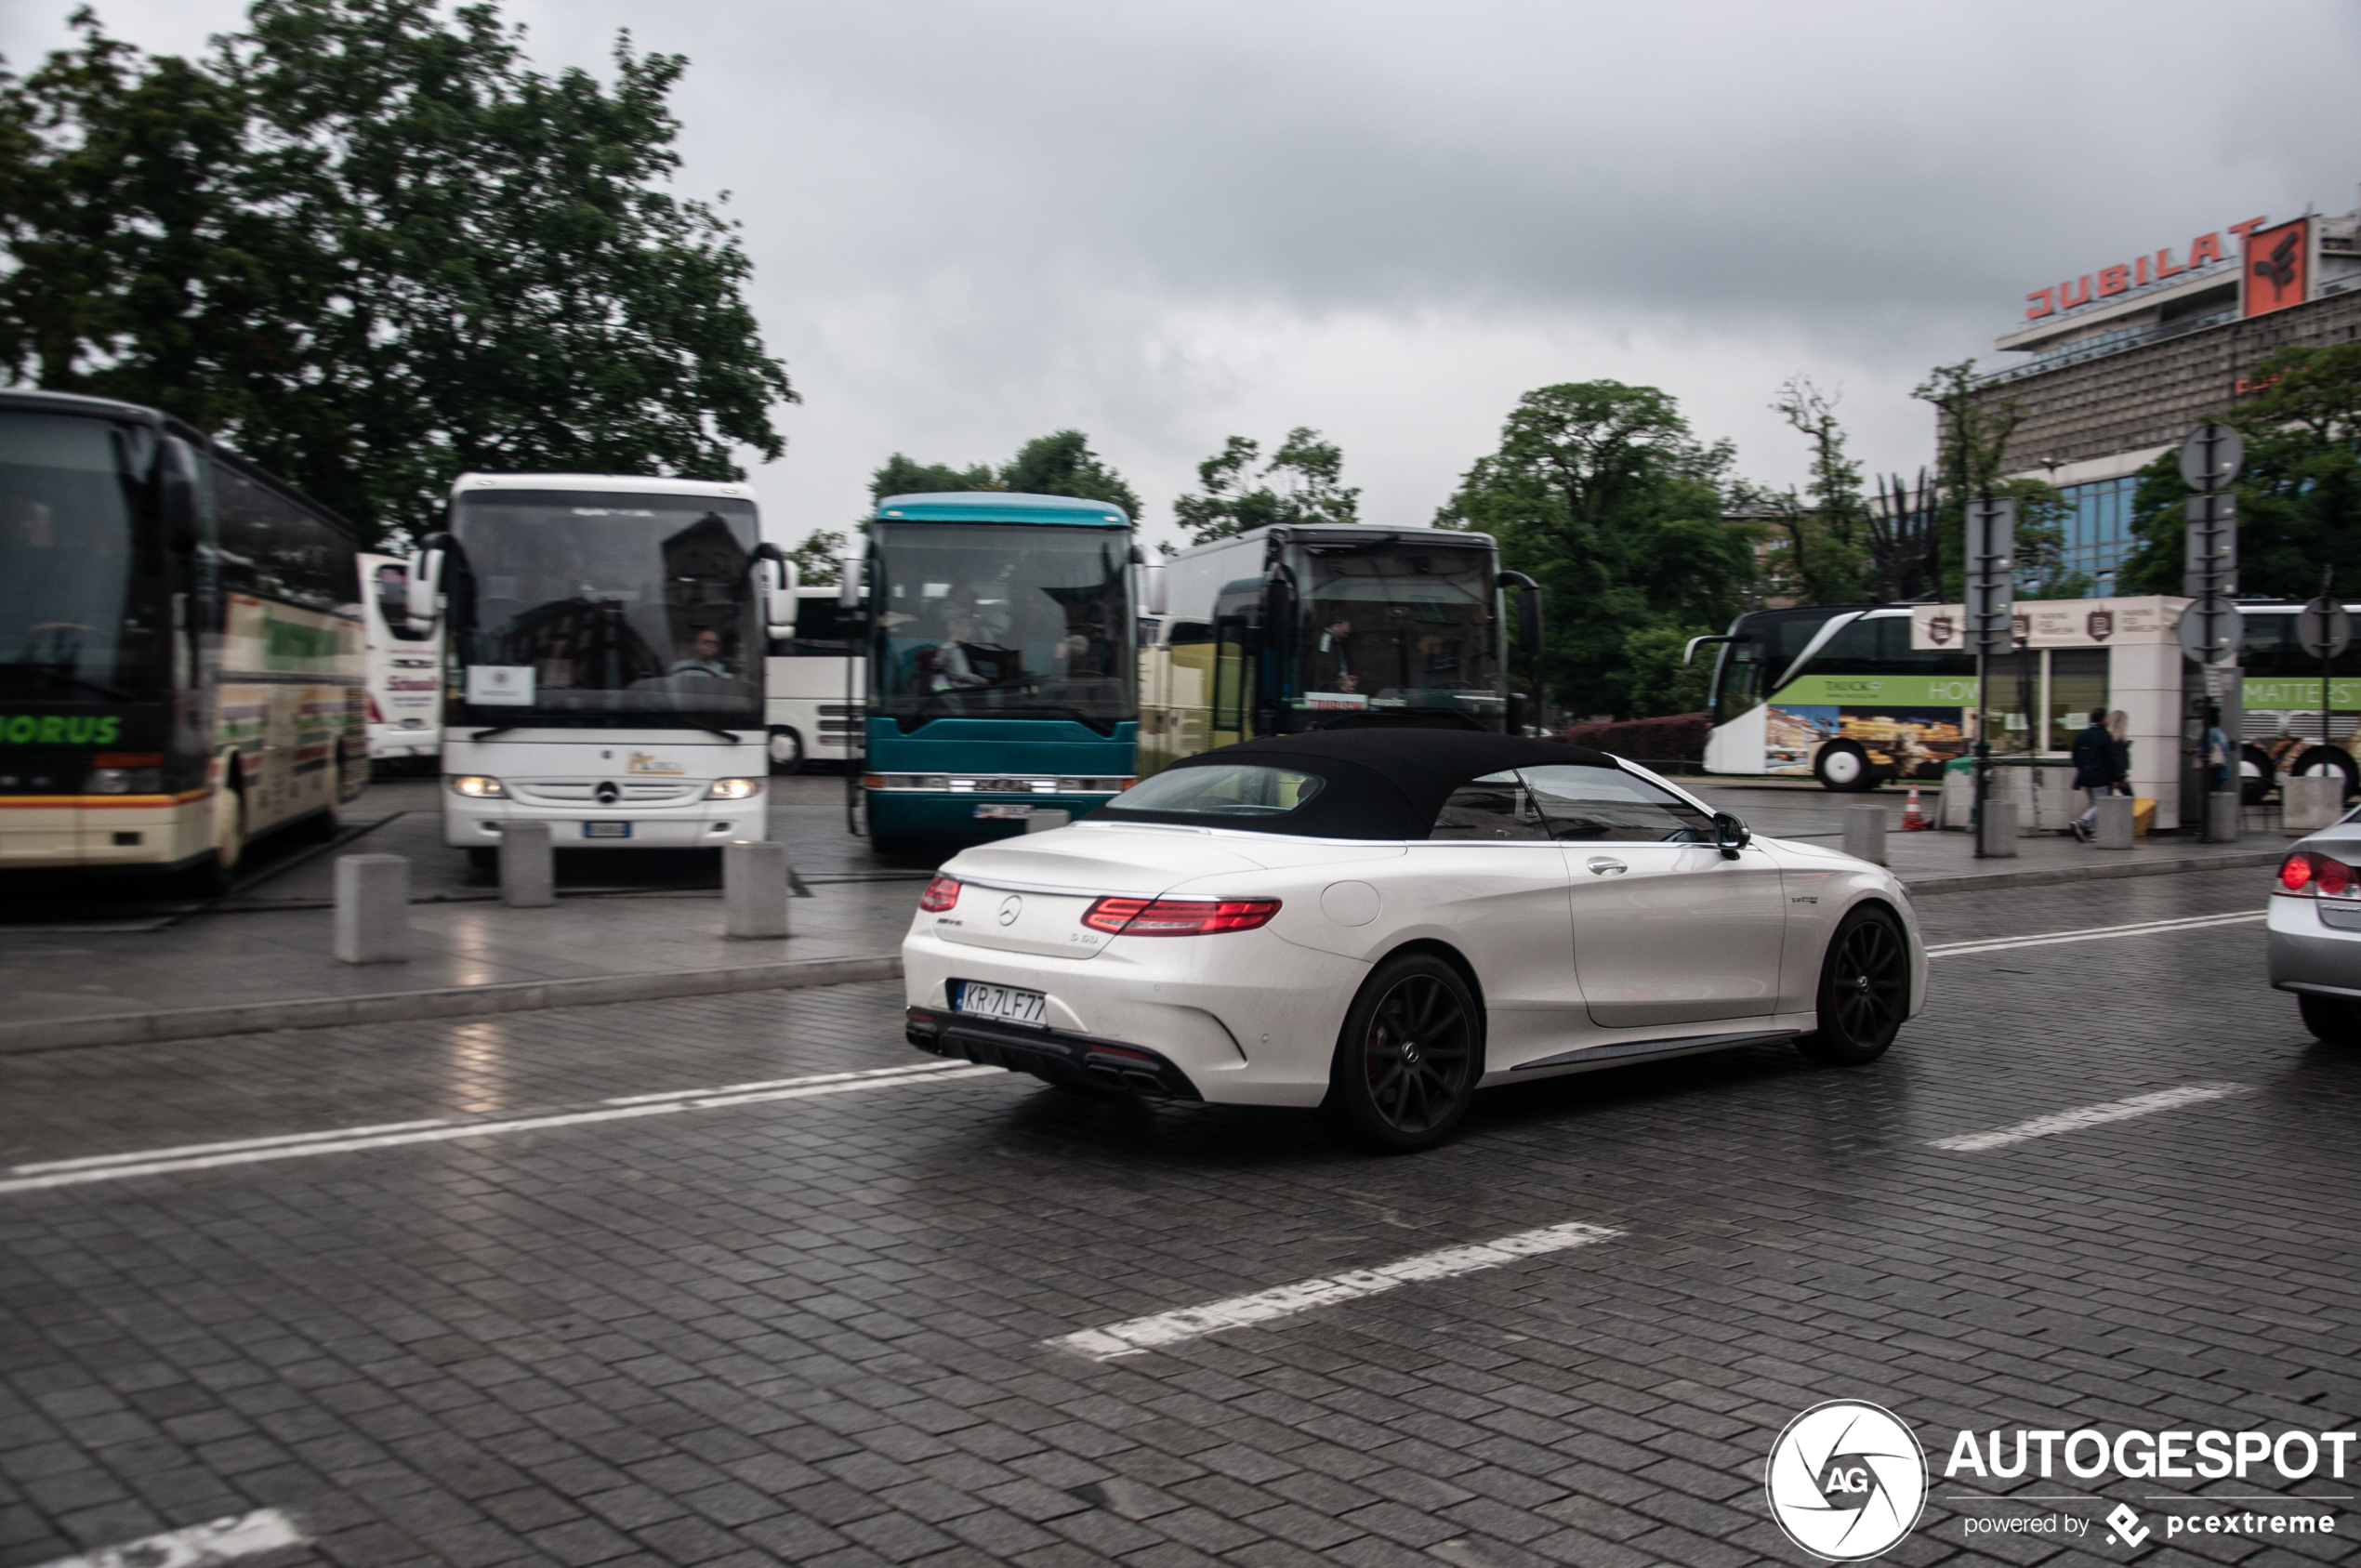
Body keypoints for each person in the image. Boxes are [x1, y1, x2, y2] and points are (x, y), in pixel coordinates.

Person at [2070, 705, 2121, 841]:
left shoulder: (2082, 735)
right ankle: (2082, 822)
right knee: (2101, 804)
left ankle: (2094, 832)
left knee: (2093, 803)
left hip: (2084, 776)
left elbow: (2075, 756)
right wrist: (2115, 777)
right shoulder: (2104, 736)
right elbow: (2111, 759)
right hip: (2100, 776)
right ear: (2103, 719)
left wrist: (2083, 768)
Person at [668, 626, 732, 678]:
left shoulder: (721, 669)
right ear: (696, 644)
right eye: (706, 642)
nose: (711, 645)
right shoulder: (680, 666)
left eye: (715, 643)